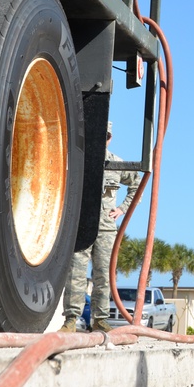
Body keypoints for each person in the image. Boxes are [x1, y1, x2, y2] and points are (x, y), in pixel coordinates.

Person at [60, 121, 141, 332]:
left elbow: (137, 184)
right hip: (81, 224)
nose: (102, 140)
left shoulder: (116, 163)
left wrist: (122, 208)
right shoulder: (79, 159)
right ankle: (71, 319)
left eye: (106, 136)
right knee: (76, 273)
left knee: (104, 275)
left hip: (106, 228)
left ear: (110, 138)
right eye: (99, 135)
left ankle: (100, 319)